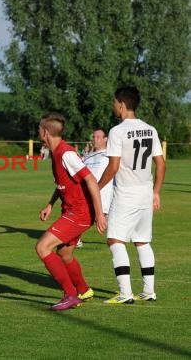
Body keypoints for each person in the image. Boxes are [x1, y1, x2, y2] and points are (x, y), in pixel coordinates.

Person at [98, 86, 165, 304]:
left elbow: (113, 166)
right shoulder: (150, 129)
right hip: (145, 191)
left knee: (115, 240)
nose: (113, 106)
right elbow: (161, 163)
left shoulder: (117, 131)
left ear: (122, 104)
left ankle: (125, 293)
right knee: (142, 241)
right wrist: (156, 191)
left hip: (126, 193)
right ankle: (149, 291)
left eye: (114, 102)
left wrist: (96, 187)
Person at [36, 112, 106, 311]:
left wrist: (99, 214)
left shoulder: (66, 153)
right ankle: (83, 290)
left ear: (45, 132)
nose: (39, 132)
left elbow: (90, 180)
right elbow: (63, 183)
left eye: (40, 129)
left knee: (42, 247)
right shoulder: (57, 152)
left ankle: (70, 294)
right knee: (65, 254)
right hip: (73, 211)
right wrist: (50, 204)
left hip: (79, 214)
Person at [76, 128, 113, 248]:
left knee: (105, 219)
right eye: (94, 137)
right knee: (82, 216)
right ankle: (75, 239)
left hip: (104, 194)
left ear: (105, 139)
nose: (94, 139)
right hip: (86, 193)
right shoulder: (87, 156)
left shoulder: (111, 155)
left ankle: (115, 241)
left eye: (98, 137)